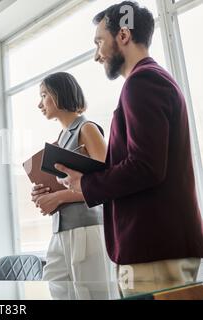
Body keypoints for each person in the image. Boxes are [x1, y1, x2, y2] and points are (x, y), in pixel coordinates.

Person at [54, 1, 203, 284]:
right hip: (160, 247)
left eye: (99, 41)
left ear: (123, 36)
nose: (97, 55)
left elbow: (145, 166)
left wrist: (85, 184)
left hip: (154, 249)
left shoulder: (142, 82)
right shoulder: (153, 80)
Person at [31, 72, 112, 282]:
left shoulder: (87, 129)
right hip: (60, 231)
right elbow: (67, 184)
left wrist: (58, 198)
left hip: (87, 229)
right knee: (55, 290)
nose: (40, 104)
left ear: (60, 94)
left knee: (93, 297)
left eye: (43, 95)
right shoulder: (61, 139)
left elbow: (108, 183)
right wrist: (43, 193)